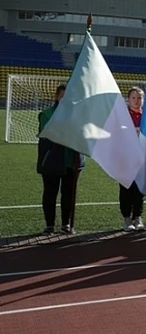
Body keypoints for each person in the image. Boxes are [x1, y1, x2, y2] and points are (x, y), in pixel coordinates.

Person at [37, 84, 84, 235]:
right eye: (63, 96)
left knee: (69, 194)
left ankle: (66, 224)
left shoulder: (80, 115)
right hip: (52, 160)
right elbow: (49, 133)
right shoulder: (47, 114)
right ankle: (49, 225)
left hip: (72, 160)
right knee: (50, 193)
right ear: (57, 97)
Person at [120, 87, 146, 231]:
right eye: (134, 98)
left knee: (139, 188)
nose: (137, 101)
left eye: (139, 98)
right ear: (128, 99)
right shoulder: (123, 115)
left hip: (142, 158)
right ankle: (127, 218)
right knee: (126, 187)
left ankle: (138, 216)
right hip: (126, 157)